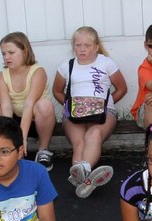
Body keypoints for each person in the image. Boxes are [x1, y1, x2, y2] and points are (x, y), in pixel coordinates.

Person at [52, 26, 129, 198]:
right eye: (78, 45)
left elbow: (122, 88)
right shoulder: (67, 66)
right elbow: (57, 91)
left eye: (87, 45)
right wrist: (69, 106)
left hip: (103, 113)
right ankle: (86, 182)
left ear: (96, 46)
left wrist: (104, 105)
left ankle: (81, 173)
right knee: (79, 142)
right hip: (74, 113)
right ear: (73, 46)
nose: (82, 49)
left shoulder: (106, 63)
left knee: (93, 135)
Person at [0, 32, 57, 169]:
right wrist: (9, 138)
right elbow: (6, 108)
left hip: (35, 120)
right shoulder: (1, 76)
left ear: (25, 51)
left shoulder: (38, 72)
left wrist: (21, 139)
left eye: (11, 52)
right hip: (14, 120)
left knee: (45, 105)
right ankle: (1, 147)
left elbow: (29, 105)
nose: (6, 57)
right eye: (3, 54)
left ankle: (43, 150)